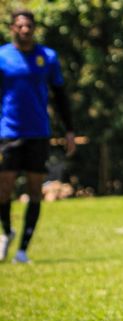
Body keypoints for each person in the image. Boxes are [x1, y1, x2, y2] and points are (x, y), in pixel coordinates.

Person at [0, 8, 76, 263]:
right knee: (5, 187)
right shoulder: (2, 57)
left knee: (35, 189)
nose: (25, 30)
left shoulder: (48, 57)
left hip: (38, 133)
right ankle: (6, 231)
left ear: (33, 28)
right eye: (20, 26)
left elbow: (60, 95)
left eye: (29, 26)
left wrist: (69, 130)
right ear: (12, 28)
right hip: (8, 132)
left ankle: (22, 250)